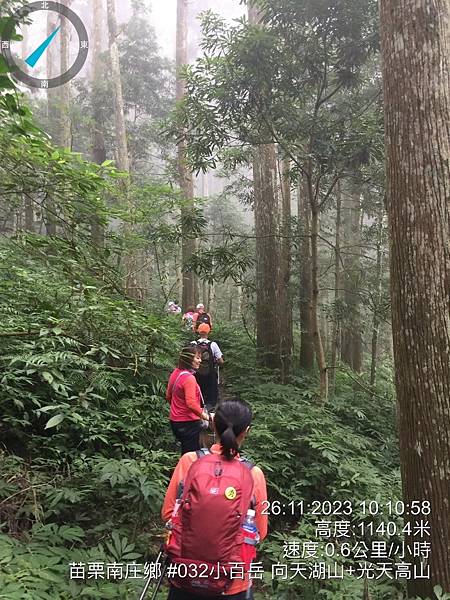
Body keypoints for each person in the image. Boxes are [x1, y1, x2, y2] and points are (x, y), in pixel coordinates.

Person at [162, 399, 268, 600]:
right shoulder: (253, 474)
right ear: (246, 431)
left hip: (186, 575)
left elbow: (168, 514)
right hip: (232, 582)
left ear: (213, 425)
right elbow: (260, 533)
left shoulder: (189, 461)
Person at [166, 347, 210, 455]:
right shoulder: (189, 378)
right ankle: (186, 471)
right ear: (189, 359)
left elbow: (168, 396)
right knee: (191, 455)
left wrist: (177, 409)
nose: (200, 360)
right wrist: (206, 417)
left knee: (186, 452)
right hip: (188, 423)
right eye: (197, 358)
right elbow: (191, 403)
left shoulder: (176, 373)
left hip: (175, 421)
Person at [192, 323, 223, 411]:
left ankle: (198, 408)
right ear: (209, 332)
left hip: (196, 374)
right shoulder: (213, 345)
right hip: (210, 374)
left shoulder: (193, 343)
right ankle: (209, 409)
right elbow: (221, 361)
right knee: (211, 393)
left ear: (198, 331)